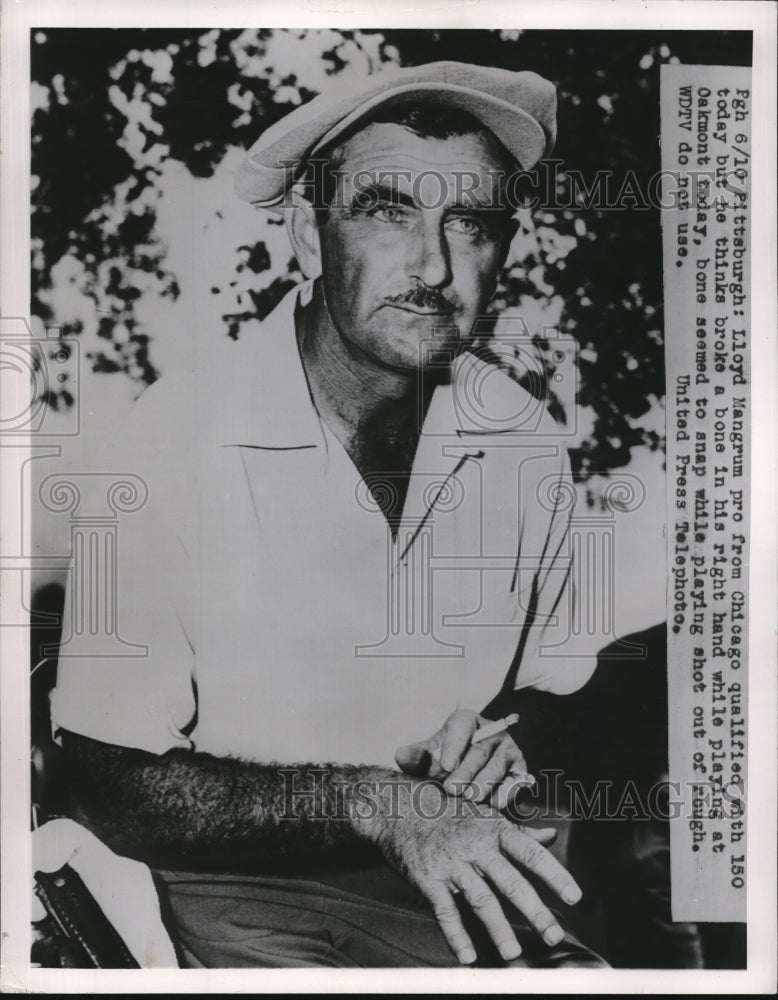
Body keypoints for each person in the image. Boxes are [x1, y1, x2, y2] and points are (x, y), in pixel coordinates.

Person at [51, 61, 606, 968]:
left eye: (470, 224)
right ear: (309, 239)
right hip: (238, 909)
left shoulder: (524, 441)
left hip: (468, 896)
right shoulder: (164, 444)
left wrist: (516, 744)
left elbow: (563, 694)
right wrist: (380, 803)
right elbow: (106, 781)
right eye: (388, 212)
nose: (433, 266)